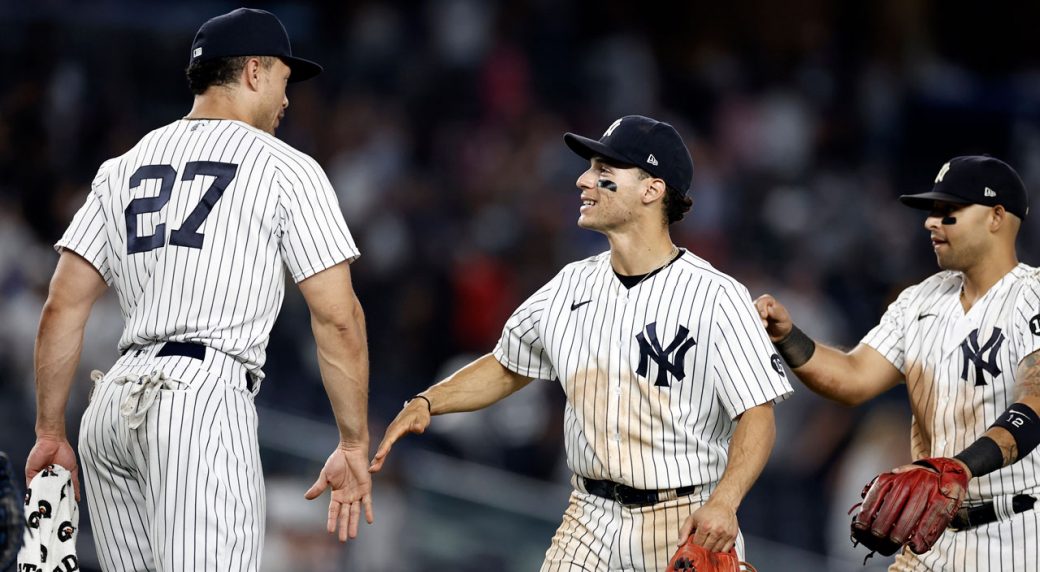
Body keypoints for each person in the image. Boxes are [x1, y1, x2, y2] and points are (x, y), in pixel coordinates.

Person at [25, 8, 374, 570]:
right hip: (201, 399)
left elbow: (61, 306)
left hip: (110, 409)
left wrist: (49, 432)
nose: (288, 101)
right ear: (255, 72)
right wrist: (354, 443)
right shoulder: (286, 167)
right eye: (285, 81)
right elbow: (338, 318)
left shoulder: (123, 166)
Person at [370, 115, 793, 570]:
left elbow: (758, 413)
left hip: (683, 518)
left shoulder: (716, 295)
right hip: (588, 516)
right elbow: (508, 364)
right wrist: (428, 402)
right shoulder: (571, 285)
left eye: (604, 172)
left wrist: (726, 502)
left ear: (651, 190)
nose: (584, 179)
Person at [756, 155, 1040, 571]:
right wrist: (787, 337)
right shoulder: (918, 301)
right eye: (933, 211)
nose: (931, 222)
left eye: (950, 212)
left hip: (1014, 535)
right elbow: (853, 377)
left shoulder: (1031, 296)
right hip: (931, 538)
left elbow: (1034, 404)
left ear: (996, 217)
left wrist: (959, 467)